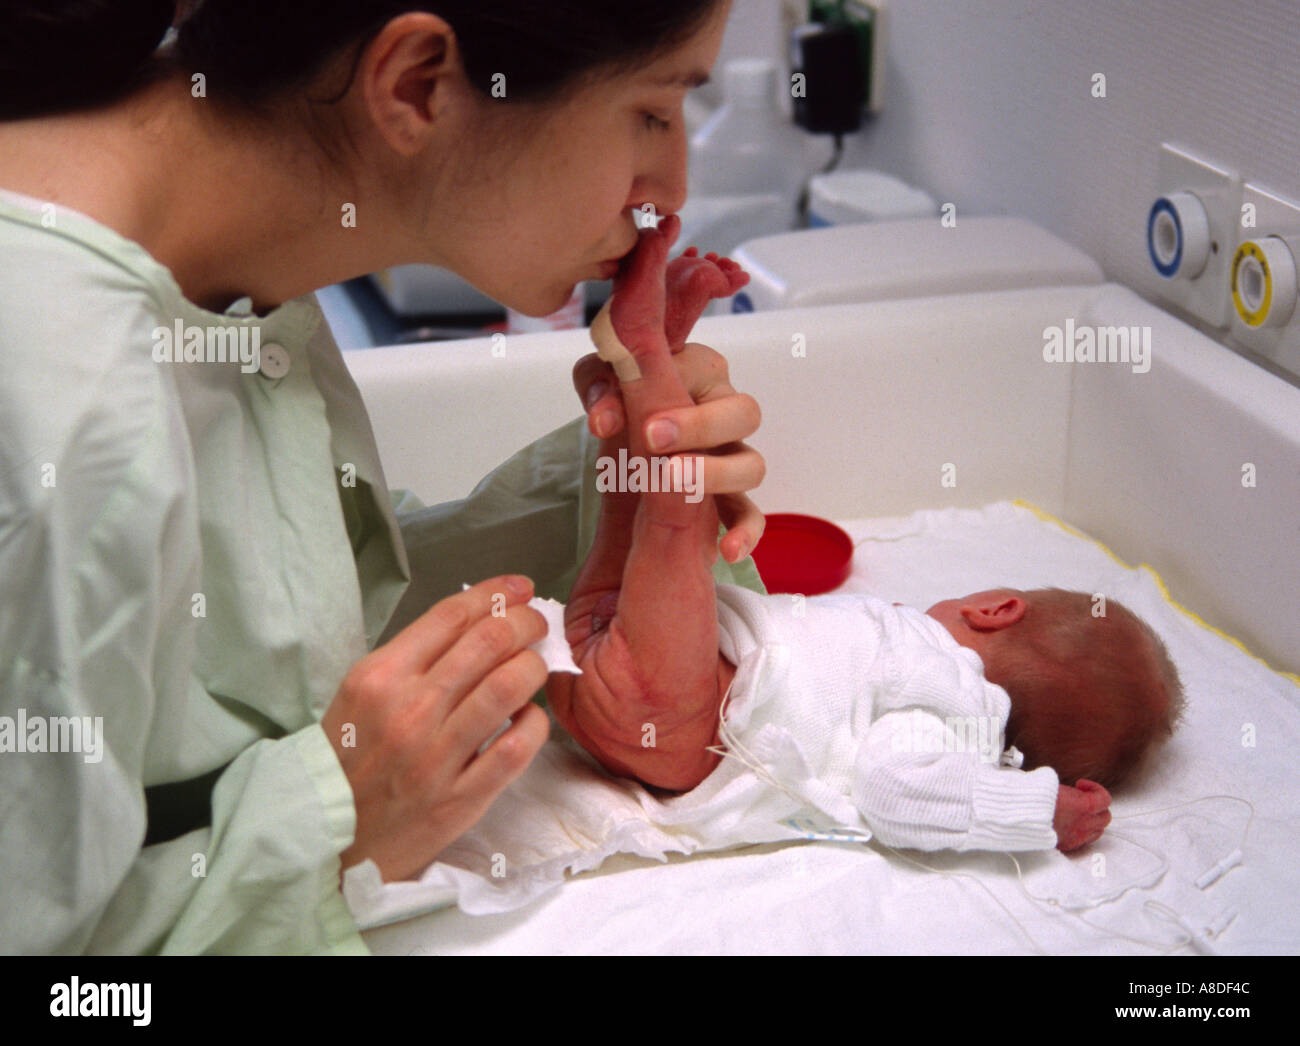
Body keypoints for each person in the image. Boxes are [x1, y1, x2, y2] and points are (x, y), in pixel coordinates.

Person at [0, 0, 767, 953]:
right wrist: (331, 830)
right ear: (414, 84)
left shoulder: (213, 238)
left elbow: (249, 612)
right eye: (652, 112)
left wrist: (625, 498)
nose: (668, 196)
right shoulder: (59, 393)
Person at [547, 213, 1185, 855]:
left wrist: (1032, 813)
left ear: (995, 610)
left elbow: (893, 791)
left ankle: (650, 349)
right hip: (633, 661)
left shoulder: (957, 701)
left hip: (685, 710)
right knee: (635, 512)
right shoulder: (916, 666)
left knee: (676, 516)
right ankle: (651, 352)